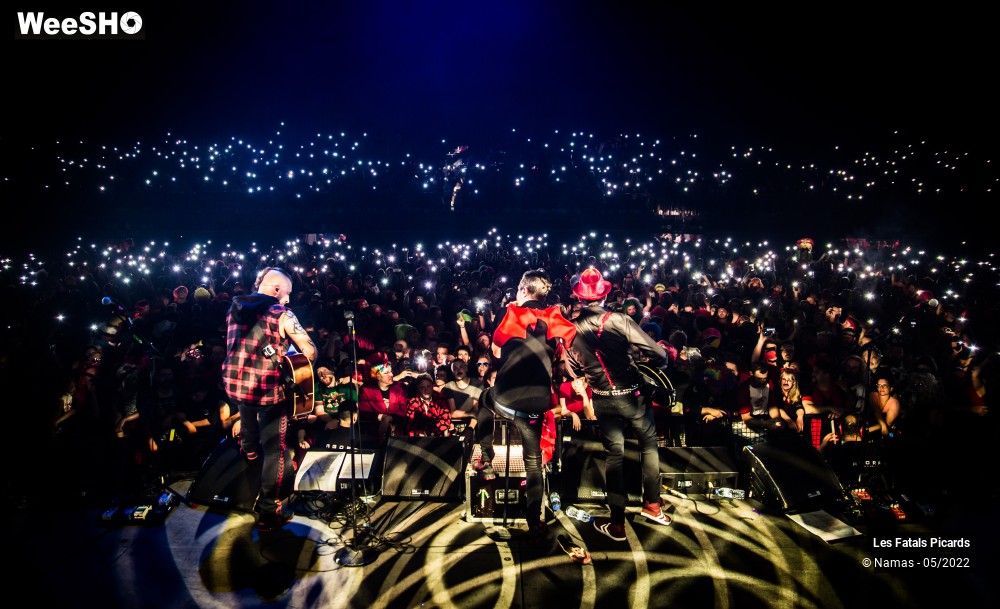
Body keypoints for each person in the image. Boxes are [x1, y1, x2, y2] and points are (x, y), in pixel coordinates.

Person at [564, 268, 673, 542]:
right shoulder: (620, 320)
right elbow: (658, 353)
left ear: (578, 297)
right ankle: (652, 506)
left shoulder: (569, 331)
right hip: (632, 396)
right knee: (648, 446)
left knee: (615, 455)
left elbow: (574, 371)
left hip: (603, 398)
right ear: (604, 294)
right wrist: (647, 362)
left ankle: (616, 523)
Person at [480, 269, 577, 543]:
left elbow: (497, 352)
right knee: (533, 464)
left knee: (484, 399)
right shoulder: (554, 318)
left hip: (507, 400)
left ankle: (485, 457)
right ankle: (535, 523)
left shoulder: (509, 313)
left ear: (522, 290)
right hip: (536, 403)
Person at [221, 267, 317, 532]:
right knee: (276, 450)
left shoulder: (234, 307)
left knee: (248, 418)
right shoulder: (281, 313)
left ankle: (249, 451)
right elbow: (309, 351)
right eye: (286, 294)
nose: (287, 299)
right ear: (276, 290)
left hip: (236, 384)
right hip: (266, 390)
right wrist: (296, 352)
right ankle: (268, 511)